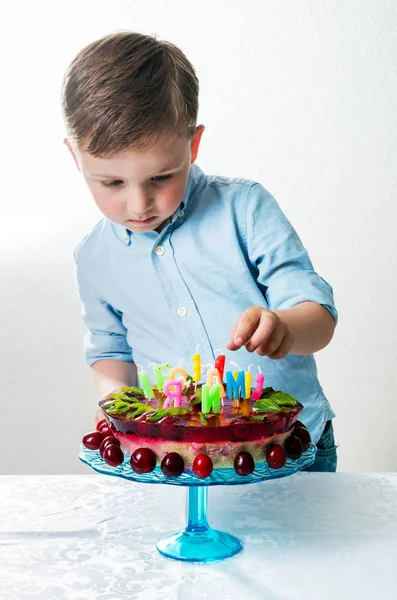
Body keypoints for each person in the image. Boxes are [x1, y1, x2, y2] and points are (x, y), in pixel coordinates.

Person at [61, 31, 338, 472]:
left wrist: (284, 326)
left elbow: (319, 319)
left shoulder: (244, 209)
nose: (138, 204)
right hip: (179, 460)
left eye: (160, 177)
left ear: (193, 145)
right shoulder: (94, 258)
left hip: (286, 451)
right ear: (76, 158)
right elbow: (111, 351)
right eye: (112, 183)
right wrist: (113, 406)